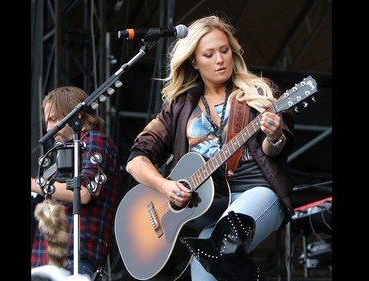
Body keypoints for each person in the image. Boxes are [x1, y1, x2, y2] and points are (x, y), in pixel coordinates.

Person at [125, 15, 296, 281]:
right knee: (203, 261)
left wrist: (274, 135)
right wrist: (164, 186)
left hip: (257, 192)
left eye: (225, 50)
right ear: (194, 61)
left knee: (222, 244)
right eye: (209, 54)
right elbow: (136, 160)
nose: (220, 59)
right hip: (210, 209)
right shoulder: (180, 107)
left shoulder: (258, 91)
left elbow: (275, 150)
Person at [31, 86, 120, 279]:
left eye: (54, 119)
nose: (49, 128)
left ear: (76, 116)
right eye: (47, 121)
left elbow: (84, 192)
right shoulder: (61, 157)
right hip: (45, 261)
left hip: (74, 258)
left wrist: (32, 183)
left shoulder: (95, 140)